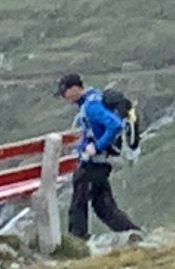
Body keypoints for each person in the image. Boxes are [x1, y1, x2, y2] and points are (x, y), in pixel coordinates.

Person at [56, 74, 142, 244]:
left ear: (75, 89)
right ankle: (133, 233)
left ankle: (77, 238)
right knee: (103, 205)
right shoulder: (94, 97)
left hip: (96, 160)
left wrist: (97, 146)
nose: (64, 97)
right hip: (102, 161)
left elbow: (114, 124)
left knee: (80, 198)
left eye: (65, 92)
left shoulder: (91, 106)